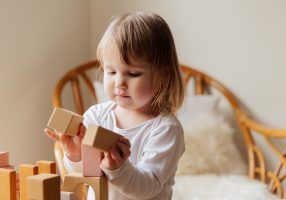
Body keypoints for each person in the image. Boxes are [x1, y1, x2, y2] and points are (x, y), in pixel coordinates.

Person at [45, 11, 185, 200]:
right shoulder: (96, 116)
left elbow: (147, 187)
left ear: (164, 75)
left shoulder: (166, 129)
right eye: (110, 72)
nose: (119, 83)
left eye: (133, 74)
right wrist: (75, 155)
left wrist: (119, 168)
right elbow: (89, 175)